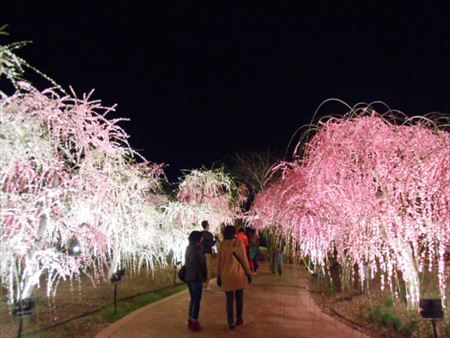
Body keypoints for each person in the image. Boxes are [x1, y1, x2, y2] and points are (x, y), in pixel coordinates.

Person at [217, 225, 252, 330]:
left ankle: (230, 322)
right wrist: (248, 273)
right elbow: (244, 260)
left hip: (226, 274)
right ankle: (239, 319)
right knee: (239, 298)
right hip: (238, 274)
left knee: (229, 300)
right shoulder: (239, 244)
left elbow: (219, 262)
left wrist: (219, 276)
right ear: (234, 233)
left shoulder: (222, 245)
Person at [184, 230, 207, 331]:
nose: (202, 239)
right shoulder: (199, 249)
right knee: (197, 301)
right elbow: (202, 264)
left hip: (189, 276)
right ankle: (194, 321)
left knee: (193, 299)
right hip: (197, 277)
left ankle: (190, 319)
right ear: (198, 238)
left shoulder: (188, 248)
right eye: (201, 237)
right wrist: (205, 276)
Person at [201, 220, 216, 290]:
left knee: (201, 267)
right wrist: (215, 240)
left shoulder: (200, 234)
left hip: (200, 252)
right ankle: (206, 285)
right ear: (207, 225)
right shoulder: (210, 234)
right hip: (207, 252)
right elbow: (211, 244)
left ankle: (202, 284)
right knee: (208, 268)